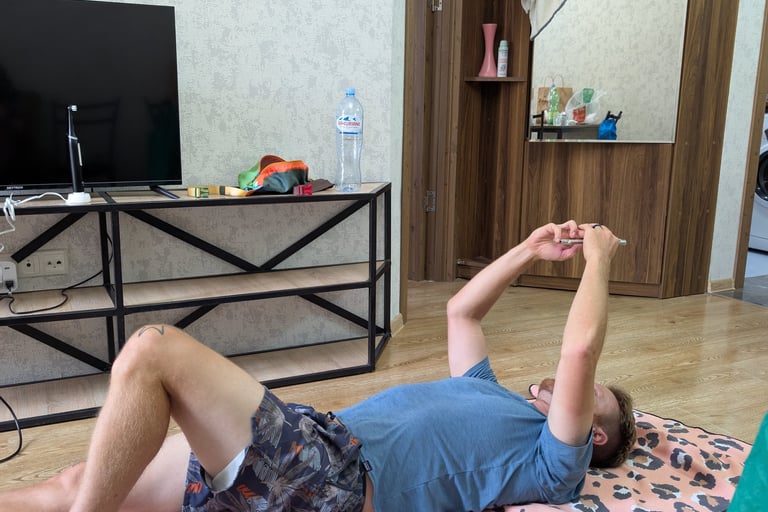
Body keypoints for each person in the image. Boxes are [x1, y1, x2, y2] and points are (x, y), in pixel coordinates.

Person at [0, 220, 635, 512]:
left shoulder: (554, 460)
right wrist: (528, 250)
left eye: (590, 397)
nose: (572, 385)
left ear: (593, 433)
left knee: (151, 349)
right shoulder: (487, 391)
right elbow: (462, 313)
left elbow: (579, 349)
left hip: (331, 479)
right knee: (80, 482)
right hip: (303, 455)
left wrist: (600, 259)